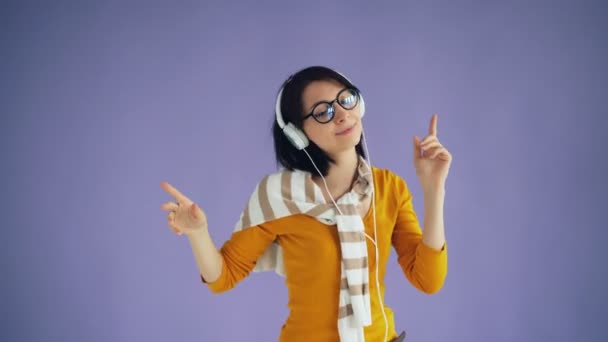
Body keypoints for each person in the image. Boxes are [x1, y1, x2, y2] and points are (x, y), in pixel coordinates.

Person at [160, 66, 451, 342]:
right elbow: (223, 276)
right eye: (323, 112)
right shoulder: (278, 196)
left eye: (345, 100)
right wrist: (198, 233)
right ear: (298, 135)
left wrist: (434, 189)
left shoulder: (389, 188)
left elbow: (428, 280)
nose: (341, 115)